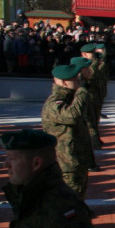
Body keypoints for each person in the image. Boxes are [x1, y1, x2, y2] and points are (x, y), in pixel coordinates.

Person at [41, 60, 96, 198]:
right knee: (70, 201)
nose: (78, 81)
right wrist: (82, 91)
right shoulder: (55, 103)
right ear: (64, 82)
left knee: (77, 199)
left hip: (76, 160)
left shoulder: (69, 99)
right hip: (66, 164)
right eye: (74, 79)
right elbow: (73, 116)